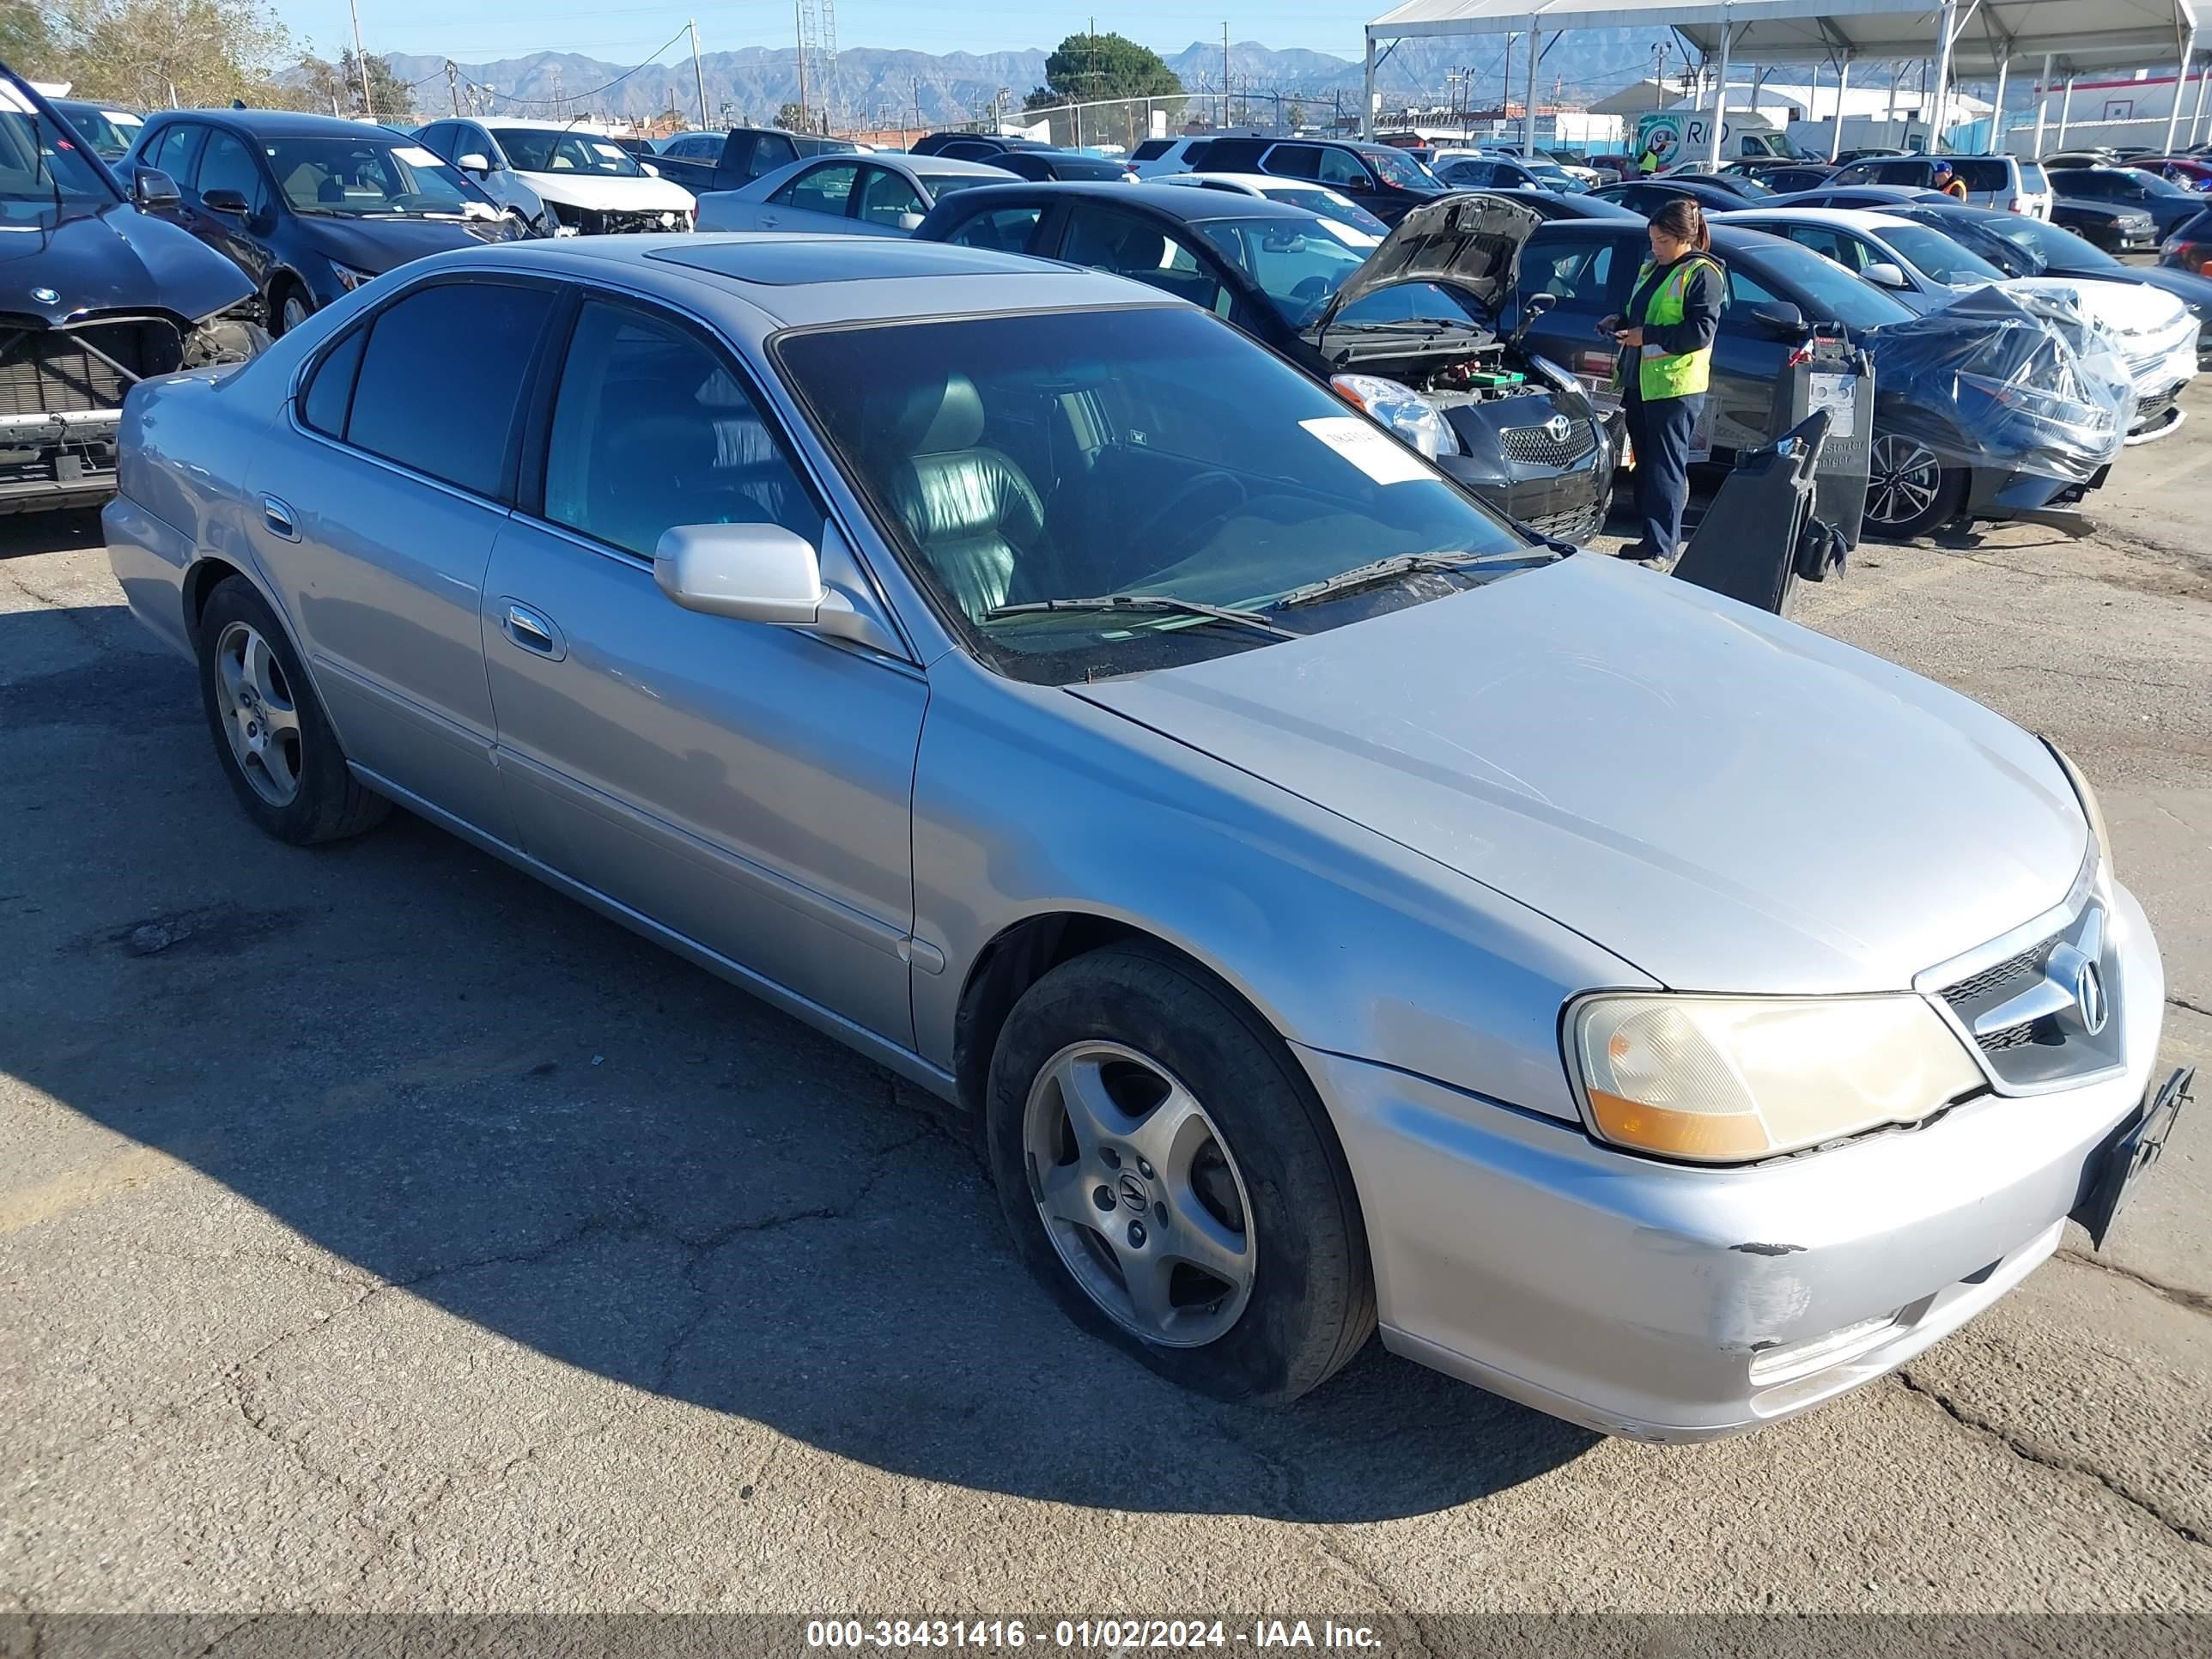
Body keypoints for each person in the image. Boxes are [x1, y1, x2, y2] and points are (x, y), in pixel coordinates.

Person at [1599, 197, 1723, 568]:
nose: (1656, 248)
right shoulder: (1654, 268)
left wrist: (1646, 335)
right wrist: (1618, 321)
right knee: (1646, 466)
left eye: (1663, 242)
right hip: (1641, 383)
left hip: (1674, 389)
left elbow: (1699, 332)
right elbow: (1642, 312)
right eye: (1653, 241)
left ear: (1685, 238)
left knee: (1666, 467)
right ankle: (1650, 538)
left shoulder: (1702, 273)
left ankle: (1663, 548)